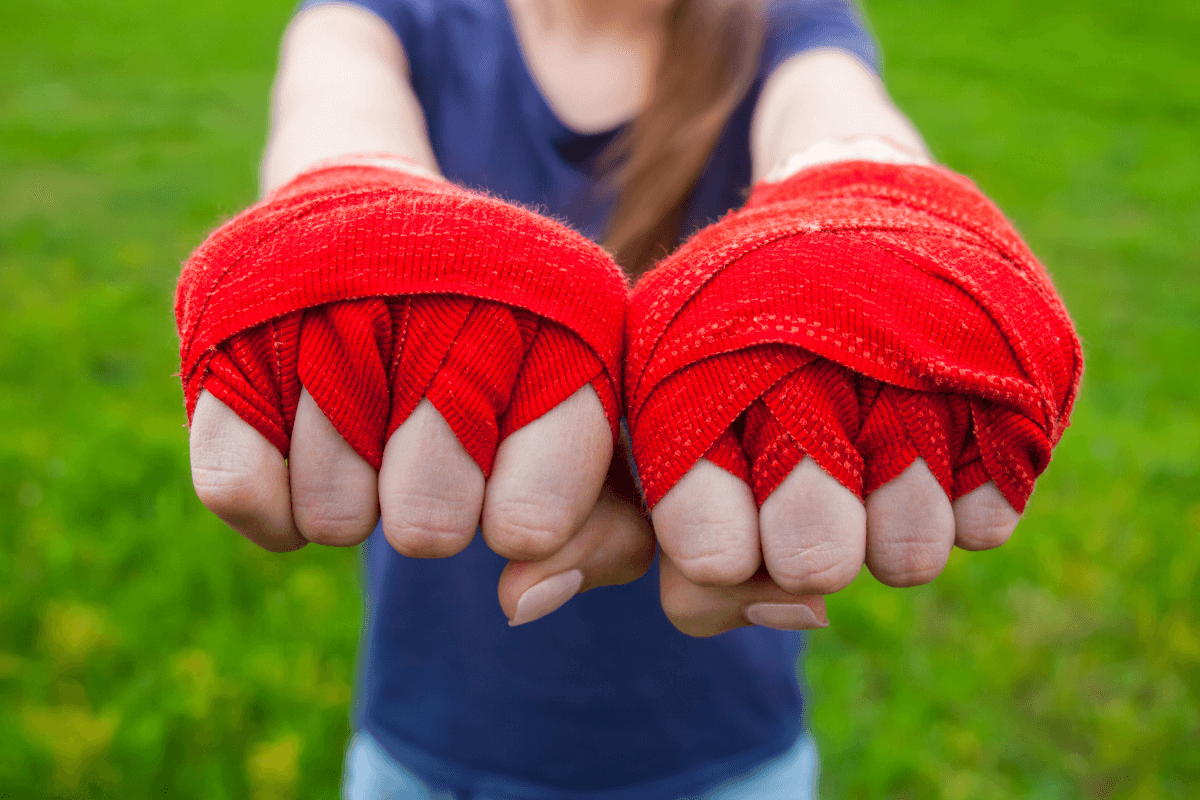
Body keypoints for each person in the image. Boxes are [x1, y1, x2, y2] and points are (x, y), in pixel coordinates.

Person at [175, 0, 1081, 797]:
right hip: (428, 734)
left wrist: (867, 194)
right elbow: (333, 104)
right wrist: (352, 211)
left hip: (723, 754)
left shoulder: (787, 24)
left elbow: (835, 108)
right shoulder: (396, 14)